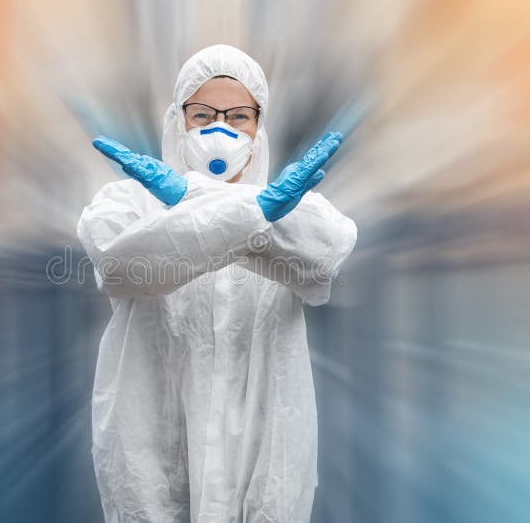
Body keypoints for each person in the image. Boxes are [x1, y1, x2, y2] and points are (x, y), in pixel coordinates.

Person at [77, 44, 357, 523]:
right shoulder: (128, 203)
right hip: (153, 445)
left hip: (263, 448)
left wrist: (205, 202)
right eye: (202, 113)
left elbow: (321, 261)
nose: (220, 128)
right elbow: (122, 268)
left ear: (258, 125)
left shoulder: (298, 206)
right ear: (178, 119)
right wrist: (253, 217)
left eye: (239, 116)